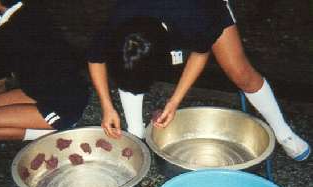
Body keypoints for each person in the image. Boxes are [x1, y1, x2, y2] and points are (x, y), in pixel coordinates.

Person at [87, 0, 310, 161]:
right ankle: (135, 132)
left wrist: (174, 102)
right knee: (132, 66)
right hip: (151, 13)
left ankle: (284, 133)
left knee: (240, 73)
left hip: (200, 5)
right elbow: (95, 59)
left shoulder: (199, 18)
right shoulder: (119, 18)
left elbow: (200, 53)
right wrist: (108, 107)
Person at [0, 0, 89, 159]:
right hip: (45, 90)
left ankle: (57, 133)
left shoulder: (14, 31)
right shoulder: (26, 11)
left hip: (63, 106)